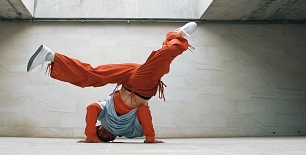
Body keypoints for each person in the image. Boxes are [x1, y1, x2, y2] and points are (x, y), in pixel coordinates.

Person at [26, 22, 197, 143]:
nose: (104, 133)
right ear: (115, 138)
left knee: (93, 75)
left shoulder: (104, 115)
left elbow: (92, 108)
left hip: (129, 82)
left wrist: (91, 135)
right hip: (140, 87)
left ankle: (51, 56)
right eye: (106, 137)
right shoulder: (129, 132)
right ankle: (176, 37)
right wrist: (150, 138)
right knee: (159, 64)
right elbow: (144, 112)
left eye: (100, 132)